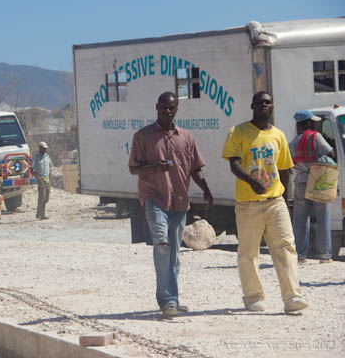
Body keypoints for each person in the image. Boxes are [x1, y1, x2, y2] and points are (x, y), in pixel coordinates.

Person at [128, 91, 213, 319]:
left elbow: (195, 168)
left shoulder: (185, 137)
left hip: (180, 202)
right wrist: (156, 168)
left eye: (172, 108)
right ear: (157, 107)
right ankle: (167, 301)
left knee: (174, 253)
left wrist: (206, 190)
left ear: (177, 110)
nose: (167, 111)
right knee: (162, 245)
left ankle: (172, 299)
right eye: (164, 107)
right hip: (154, 198)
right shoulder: (143, 136)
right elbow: (134, 168)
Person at [222, 91, 307, 313]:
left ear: (273, 107)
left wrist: (286, 200)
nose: (264, 106)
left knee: (286, 247)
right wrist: (251, 181)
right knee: (249, 252)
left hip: (275, 201)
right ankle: (253, 297)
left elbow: (284, 170)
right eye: (260, 103)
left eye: (268, 103)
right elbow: (234, 164)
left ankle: (292, 298)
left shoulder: (278, 135)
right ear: (252, 106)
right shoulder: (238, 132)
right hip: (248, 203)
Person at [289, 110, 335, 264]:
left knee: (300, 219)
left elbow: (287, 164)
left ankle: (301, 256)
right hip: (317, 181)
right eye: (313, 122)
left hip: (300, 181)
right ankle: (324, 256)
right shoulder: (316, 137)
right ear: (308, 123)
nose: (314, 124)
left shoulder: (294, 142)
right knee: (322, 217)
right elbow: (332, 153)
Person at [31, 141, 53, 220]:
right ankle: (40, 215)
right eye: (43, 148)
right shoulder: (36, 157)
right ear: (40, 148)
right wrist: (38, 179)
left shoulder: (47, 157)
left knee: (46, 198)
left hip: (47, 180)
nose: (45, 150)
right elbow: (31, 170)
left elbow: (50, 167)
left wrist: (50, 177)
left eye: (45, 149)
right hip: (41, 179)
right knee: (41, 197)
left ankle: (41, 214)